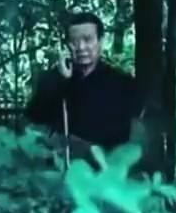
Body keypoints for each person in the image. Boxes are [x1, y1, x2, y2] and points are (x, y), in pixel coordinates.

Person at [25, 11, 146, 160]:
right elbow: (34, 118)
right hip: (61, 164)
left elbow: (133, 134)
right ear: (67, 45)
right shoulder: (52, 79)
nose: (81, 47)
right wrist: (61, 81)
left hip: (107, 165)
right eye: (74, 41)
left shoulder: (123, 84)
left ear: (100, 41)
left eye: (87, 40)